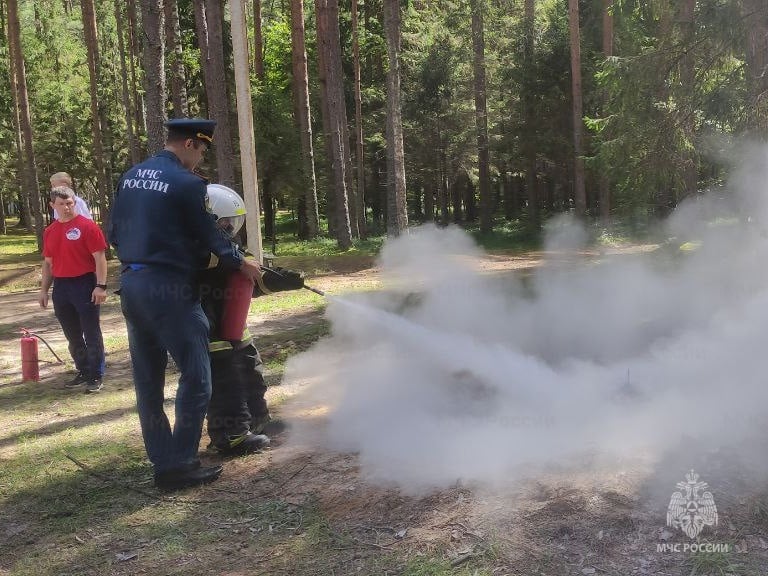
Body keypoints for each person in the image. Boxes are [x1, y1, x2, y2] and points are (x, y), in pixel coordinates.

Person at [108, 118, 263, 491]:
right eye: (203, 150)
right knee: (197, 377)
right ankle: (181, 464)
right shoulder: (188, 183)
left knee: (148, 382)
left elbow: (114, 232)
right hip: (170, 290)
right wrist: (243, 262)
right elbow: (210, 235)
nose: (201, 159)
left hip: (132, 283)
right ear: (192, 143)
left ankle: (163, 462)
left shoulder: (132, 175)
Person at [200, 184, 305, 455]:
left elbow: (246, 282)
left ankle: (258, 421)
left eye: (232, 223)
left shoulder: (229, 247)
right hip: (208, 323)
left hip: (232, 323)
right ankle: (229, 435)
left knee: (250, 369)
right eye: (224, 223)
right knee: (225, 380)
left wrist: (280, 281)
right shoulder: (198, 249)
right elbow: (224, 270)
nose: (230, 228)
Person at [38, 186, 107, 393]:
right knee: (72, 334)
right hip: (62, 286)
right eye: (62, 204)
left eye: (70, 203)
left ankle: (96, 375)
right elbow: (48, 263)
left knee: (91, 332)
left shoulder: (87, 226)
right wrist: (44, 290)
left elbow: (100, 258)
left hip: (84, 282)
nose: (67, 207)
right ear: (53, 205)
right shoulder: (50, 231)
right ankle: (83, 369)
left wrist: (100, 286)